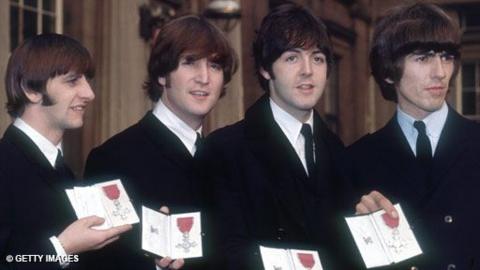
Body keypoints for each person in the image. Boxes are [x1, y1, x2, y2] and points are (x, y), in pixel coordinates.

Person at [198, 3, 354, 269]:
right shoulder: (225, 150)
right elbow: (222, 253)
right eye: (292, 58)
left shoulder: (339, 151)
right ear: (265, 69)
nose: (308, 70)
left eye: (317, 58)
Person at [83, 15, 237, 270]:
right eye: (190, 62)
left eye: (215, 66)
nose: (204, 77)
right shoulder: (113, 158)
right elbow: (95, 263)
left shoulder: (226, 158)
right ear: (162, 75)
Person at [346, 3, 480, 269]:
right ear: (387, 72)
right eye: (423, 58)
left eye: (446, 57)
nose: (440, 72)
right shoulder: (356, 161)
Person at [0, 33, 131, 270]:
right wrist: (61, 248)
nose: (89, 94)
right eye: (72, 81)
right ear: (30, 88)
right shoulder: (5, 165)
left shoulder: (64, 172)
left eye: (86, 80)